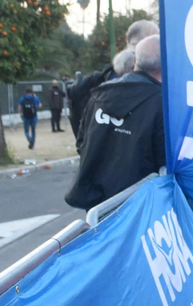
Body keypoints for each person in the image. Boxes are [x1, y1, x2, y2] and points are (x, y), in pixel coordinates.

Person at [65, 37, 165, 209]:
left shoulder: (100, 94)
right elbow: (164, 159)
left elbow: (82, 142)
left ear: (135, 60)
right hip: (138, 208)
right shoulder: (162, 103)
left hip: (97, 204)